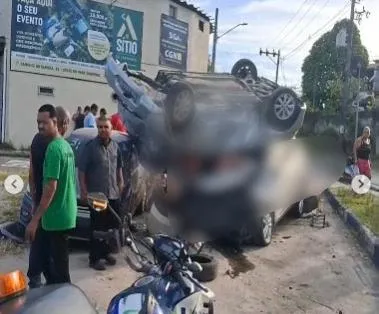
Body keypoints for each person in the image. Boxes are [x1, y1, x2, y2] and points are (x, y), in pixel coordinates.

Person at [25, 104, 77, 285]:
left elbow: (50, 188)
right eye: (38, 122)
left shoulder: (54, 148)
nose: (40, 126)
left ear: (56, 122)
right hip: (62, 213)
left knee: (58, 273)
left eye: (44, 123)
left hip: (53, 214)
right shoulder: (66, 146)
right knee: (55, 263)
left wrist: (35, 217)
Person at [78, 116, 124, 271]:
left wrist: (121, 182)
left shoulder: (116, 147)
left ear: (111, 128)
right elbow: (82, 171)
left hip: (113, 194)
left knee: (110, 227)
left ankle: (106, 254)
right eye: (100, 127)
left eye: (106, 127)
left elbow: (119, 167)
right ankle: (95, 258)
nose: (103, 130)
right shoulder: (90, 147)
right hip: (97, 195)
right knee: (97, 227)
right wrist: (84, 191)